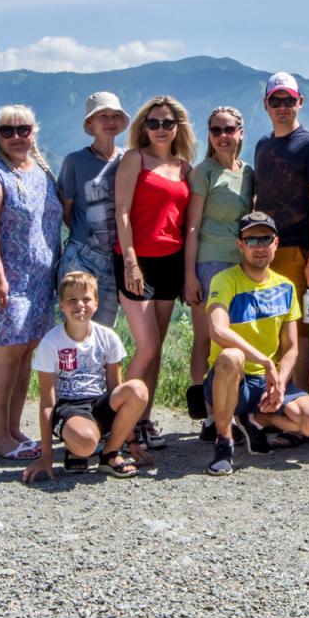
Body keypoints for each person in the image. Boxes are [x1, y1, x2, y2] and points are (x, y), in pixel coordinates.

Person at [0, 105, 62, 459]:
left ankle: (13, 428)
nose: (17, 137)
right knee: (5, 356)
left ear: (34, 131)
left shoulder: (41, 171)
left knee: (24, 355)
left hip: (39, 281)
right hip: (5, 280)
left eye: (23, 129)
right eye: (8, 131)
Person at [203, 212, 309, 476]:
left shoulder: (286, 286)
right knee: (231, 356)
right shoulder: (224, 281)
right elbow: (217, 329)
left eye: (265, 239)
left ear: (276, 243)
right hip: (233, 380)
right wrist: (265, 361)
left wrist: (280, 381)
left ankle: (255, 420)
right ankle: (223, 442)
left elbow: (292, 347)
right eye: (251, 240)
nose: (259, 247)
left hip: (268, 382)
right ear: (240, 245)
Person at [113, 96, 195, 449]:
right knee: (146, 347)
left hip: (171, 261)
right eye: (154, 123)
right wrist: (131, 260)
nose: (161, 129)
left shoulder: (184, 168)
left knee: (156, 347)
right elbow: (122, 213)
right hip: (137, 261)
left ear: (178, 128)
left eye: (167, 123)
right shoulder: (135, 159)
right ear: (143, 127)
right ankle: (120, 419)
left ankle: (144, 420)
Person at [23, 271, 149, 482]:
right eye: (72, 300)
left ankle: (110, 454)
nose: (79, 305)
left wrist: (132, 441)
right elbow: (47, 402)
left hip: (97, 404)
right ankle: (75, 448)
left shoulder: (108, 338)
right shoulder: (51, 342)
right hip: (68, 408)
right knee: (86, 443)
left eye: (86, 299)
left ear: (96, 303)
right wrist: (46, 455)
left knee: (138, 389)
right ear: (61, 305)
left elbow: (115, 389)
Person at [252, 72, 309, 392]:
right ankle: (276, 399)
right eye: (276, 101)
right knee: (270, 328)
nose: (282, 107)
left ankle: (300, 402)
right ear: (266, 104)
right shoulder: (262, 145)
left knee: (298, 331)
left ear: (300, 102)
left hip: (298, 250)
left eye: (288, 100)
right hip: (265, 251)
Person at [182, 106, 253, 442]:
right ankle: (210, 414)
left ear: (241, 132)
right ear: (209, 135)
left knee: (235, 337)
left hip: (241, 265)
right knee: (207, 336)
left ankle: (233, 407)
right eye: (216, 130)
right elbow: (192, 226)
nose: (223, 136)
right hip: (208, 262)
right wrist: (189, 275)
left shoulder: (248, 173)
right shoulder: (203, 172)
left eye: (229, 129)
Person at [57, 92, 129, 327]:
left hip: (114, 258)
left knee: (103, 331)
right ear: (90, 123)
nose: (110, 122)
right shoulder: (74, 162)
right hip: (81, 256)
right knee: (74, 328)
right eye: (103, 116)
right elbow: (65, 209)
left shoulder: (128, 159)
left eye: (115, 116)